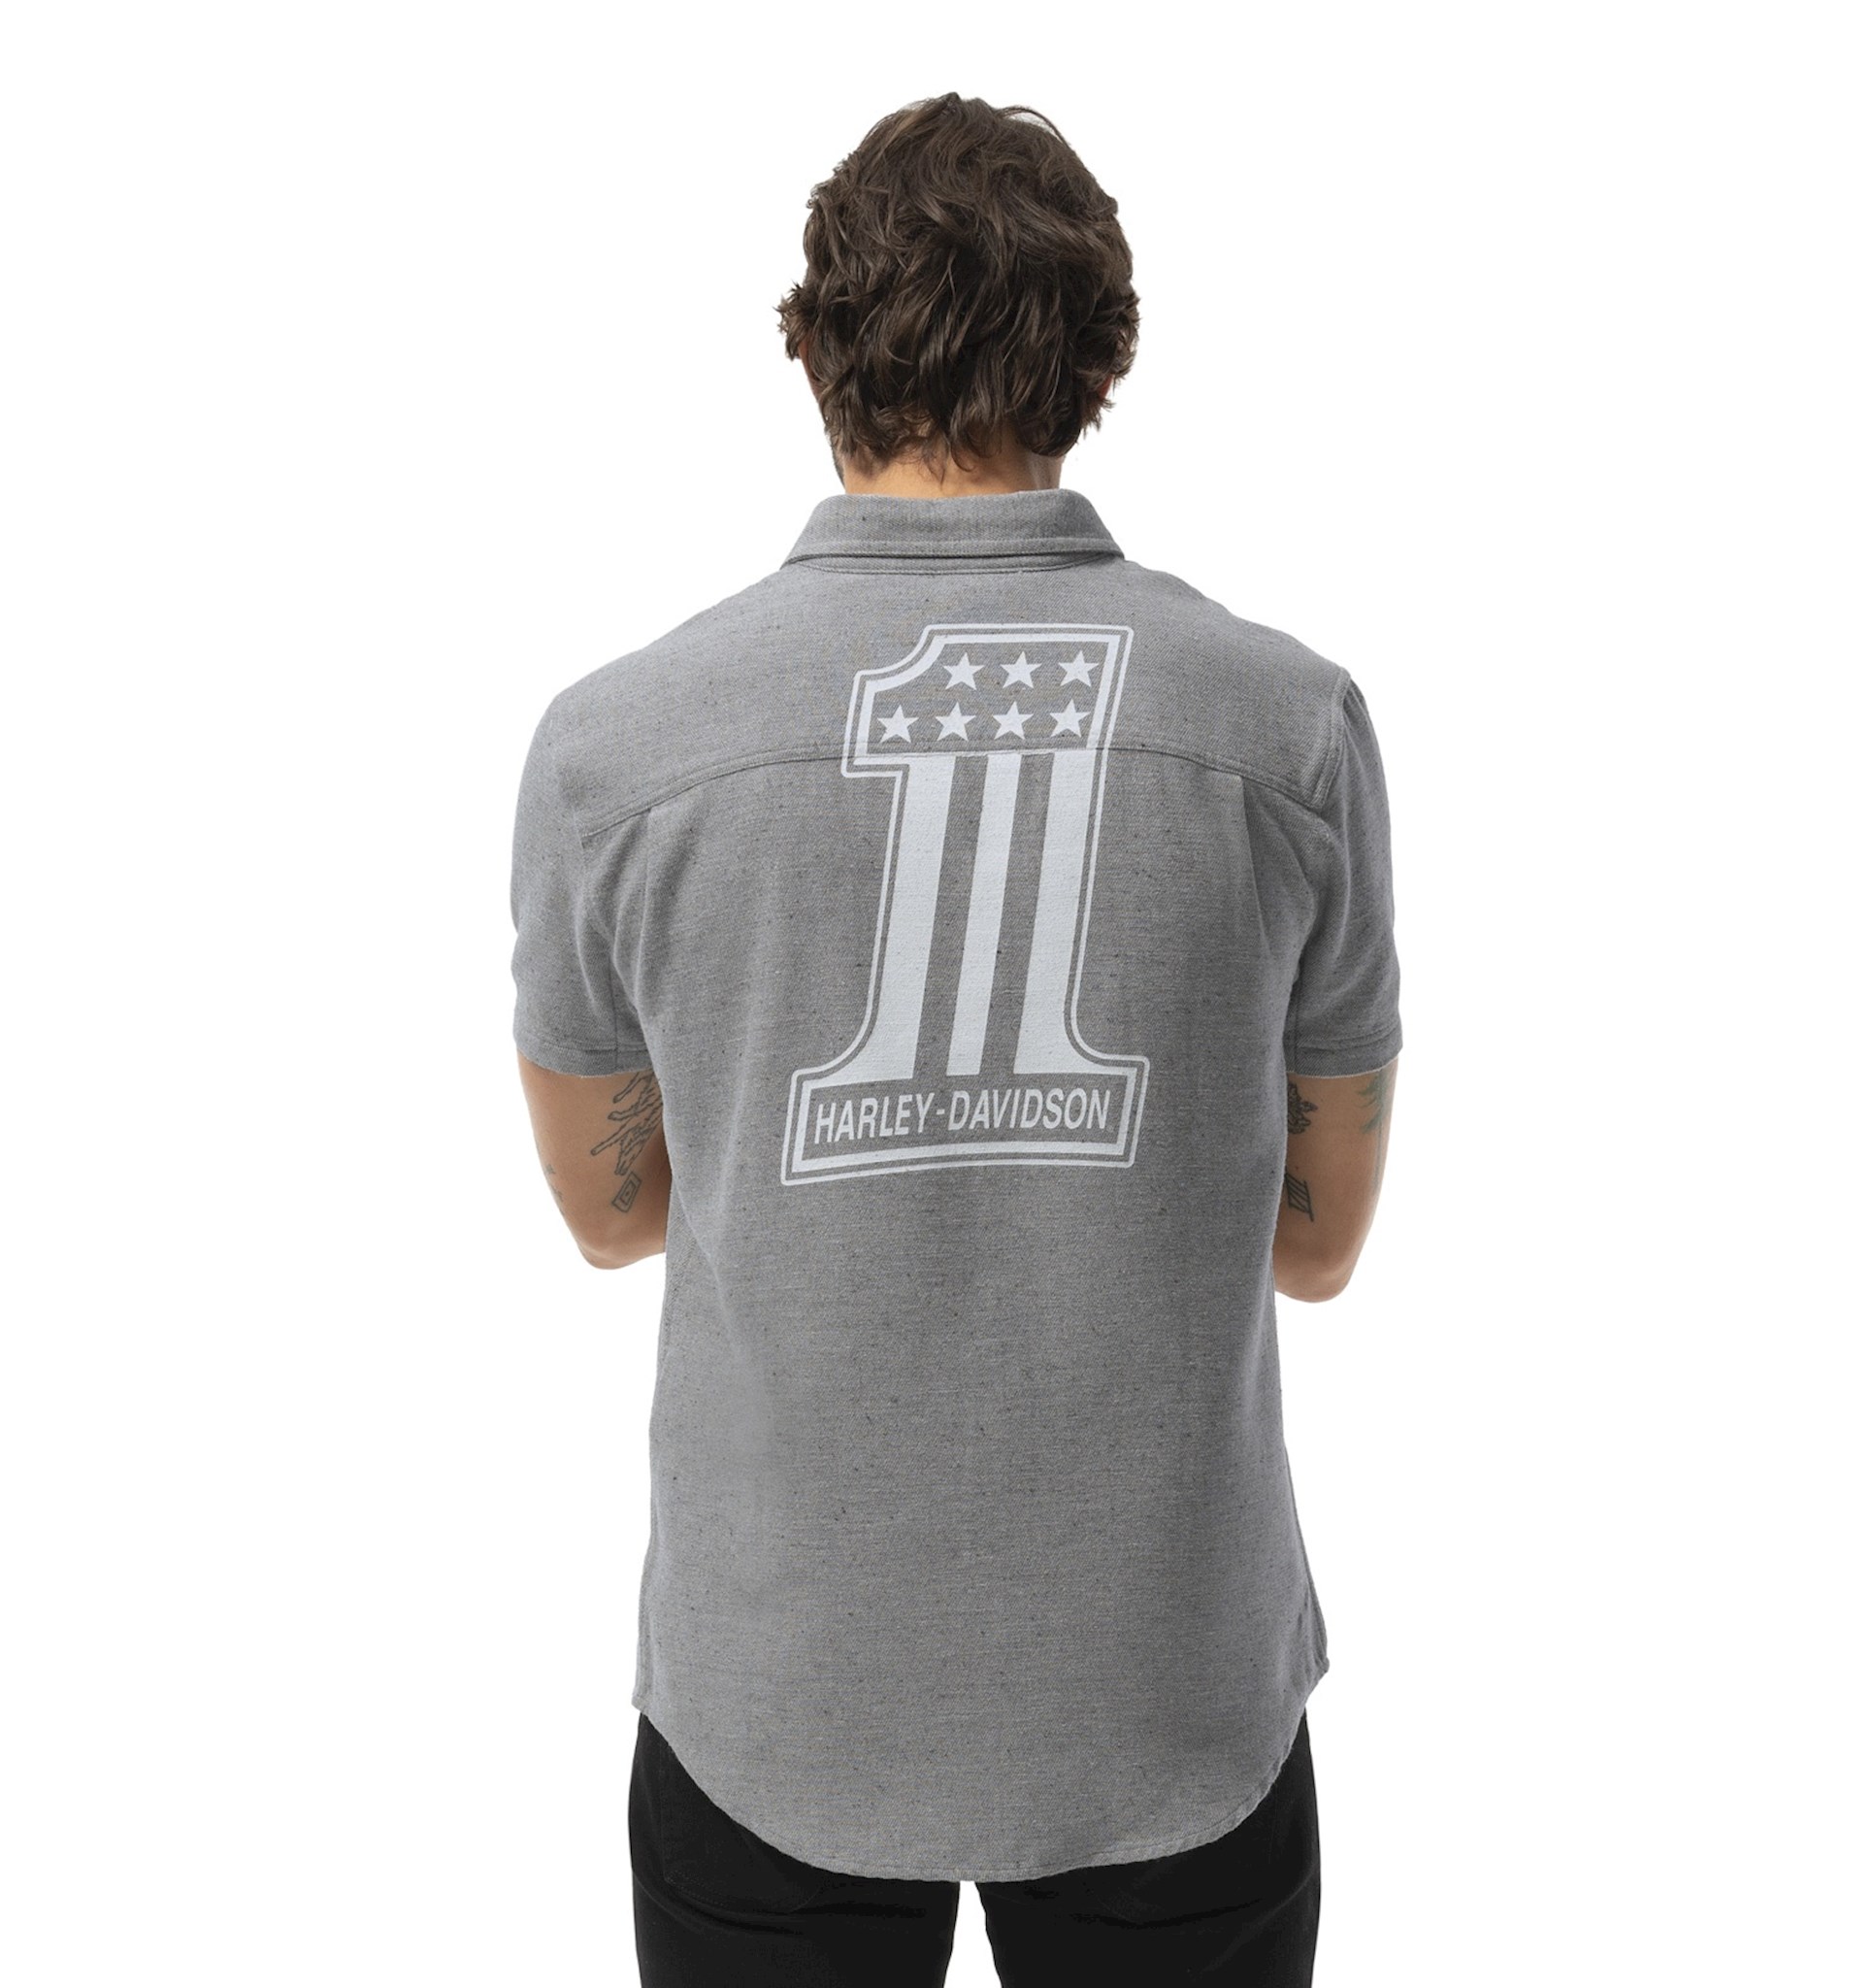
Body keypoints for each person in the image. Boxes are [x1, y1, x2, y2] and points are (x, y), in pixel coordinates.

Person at [510, 89, 1403, 1988]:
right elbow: (1321, 1238)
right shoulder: (1288, 728)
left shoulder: (616, 750)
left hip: (779, 1692)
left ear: (814, 351)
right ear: (1100, 363)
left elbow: (611, 1211)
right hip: (1165, 1686)